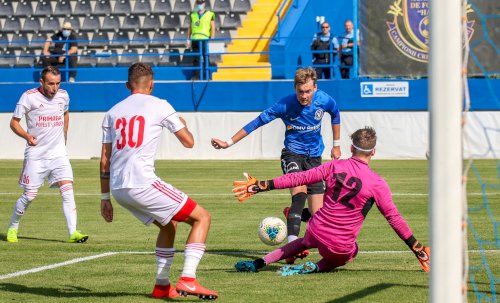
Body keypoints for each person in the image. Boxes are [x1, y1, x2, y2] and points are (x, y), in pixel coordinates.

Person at [232, 126, 431, 275]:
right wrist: (417, 248)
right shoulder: (377, 183)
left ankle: (259, 263)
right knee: (353, 251)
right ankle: (316, 267)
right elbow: (394, 218)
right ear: (373, 152)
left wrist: (262, 185)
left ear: (351, 148)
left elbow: (298, 178)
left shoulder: (333, 167)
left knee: (304, 242)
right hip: (340, 246)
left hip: (316, 231)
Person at [99, 63, 218, 300]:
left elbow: (105, 160)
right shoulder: (160, 105)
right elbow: (188, 142)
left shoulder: (112, 112)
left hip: (119, 189)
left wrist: (105, 198)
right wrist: (181, 122)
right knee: (202, 217)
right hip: (142, 183)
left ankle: (162, 286)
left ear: (127, 85)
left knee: (168, 224)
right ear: (151, 84)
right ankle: (189, 279)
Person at [211, 67, 341, 264]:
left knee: (318, 217)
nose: (304, 96)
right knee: (299, 195)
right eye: (300, 92)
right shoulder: (285, 105)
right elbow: (257, 122)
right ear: (295, 89)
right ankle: (292, 247)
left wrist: (336, 146)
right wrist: (228, 142)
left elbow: (335, 113)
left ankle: (291, 215)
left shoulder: (324, 100)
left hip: (314, 158)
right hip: (292, 155)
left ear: (315, 87)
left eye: (308, 91)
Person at [6, 66, 88, 244]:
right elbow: (14, 123)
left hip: (58, 154)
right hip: (36, 155)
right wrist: (27, 136)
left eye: (58, 83)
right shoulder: (28, 97)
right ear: (42, 82)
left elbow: (65, 113)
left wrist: (65, 133)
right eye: (51, 83)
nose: (55, 88)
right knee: (29, 196)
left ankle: (73, 232)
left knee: (67, 189)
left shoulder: (63, 95)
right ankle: (13, 227)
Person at [187, 0, 216, 80]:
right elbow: (190, 27)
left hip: (205, 39)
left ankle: (208, 76)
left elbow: (213, 27)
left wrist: (212, 38)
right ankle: (196, 76)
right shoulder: (193, 15)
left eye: (201, 3)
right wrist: (188, 38)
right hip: (195, 40)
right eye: (198, 3)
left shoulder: (210, 14)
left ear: (204, 3)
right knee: (196, 59)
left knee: (206, 58)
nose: (200, 4)